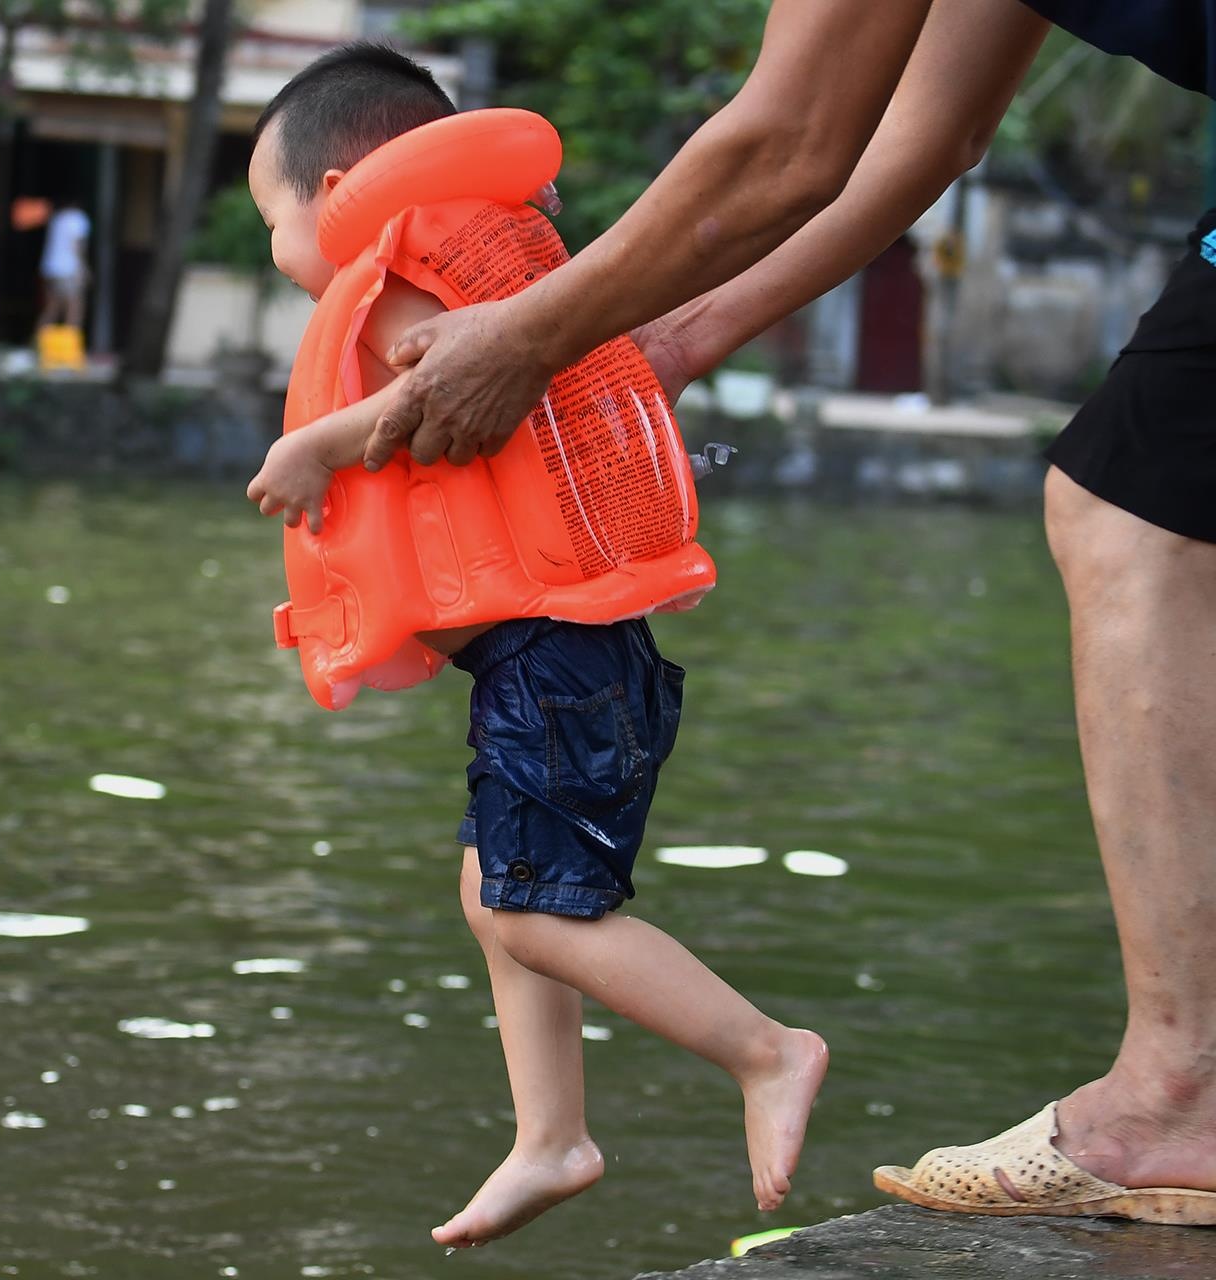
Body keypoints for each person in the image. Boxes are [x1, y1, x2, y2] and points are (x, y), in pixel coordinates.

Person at [317, 0, 1216, 1224]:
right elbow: (927, 135)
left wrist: (529, 338)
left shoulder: (407, 285)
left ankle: (1172, 1097)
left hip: (566, 662)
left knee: (1137, 518)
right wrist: (678, 336)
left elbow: (790, 136)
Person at [242, 43, 830, 1250]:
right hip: (563, 653)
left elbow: (417, 393)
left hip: (562, 660)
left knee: (531, 907)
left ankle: (766, 1049)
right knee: (492, 889)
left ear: (343, 183)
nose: (269, 246)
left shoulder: (404, 268)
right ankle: (551, 1137)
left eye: (267, 216)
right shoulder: (467, 247)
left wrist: (319, 447)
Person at [36, 197, 90, 335]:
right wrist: (82, 267)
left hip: (49, 268)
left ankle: (39, 343)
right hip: (68, 269)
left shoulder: (57, 218)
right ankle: (70, 348)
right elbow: (76, 245)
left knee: (52, 308)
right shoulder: (78, 218)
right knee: (75, 307)